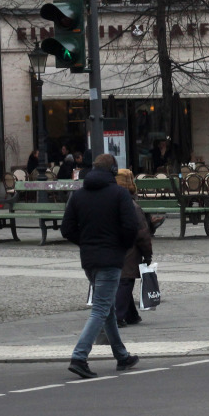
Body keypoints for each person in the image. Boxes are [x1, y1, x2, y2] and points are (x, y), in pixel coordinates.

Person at [59, 153, 141, 378]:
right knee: (101, 309)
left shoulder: (78, 195)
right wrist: (121, 247)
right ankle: (79, 356)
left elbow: (66, 229)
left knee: (108, 309)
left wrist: (85, 242)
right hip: (111, 258)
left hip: (89, 259)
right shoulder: (119, 194)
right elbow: (130, 227)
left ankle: (122, 356)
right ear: (113, 171)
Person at [113, 170, 153, 327]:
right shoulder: (132, 205)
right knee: (125, 280)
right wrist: (147, 254)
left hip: (111, 247)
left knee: (122, 279)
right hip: (128, 249)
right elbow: (142, 234)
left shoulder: (110, 201)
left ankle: (131, 315)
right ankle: (118, 315)